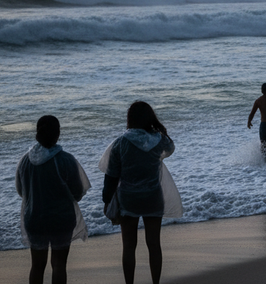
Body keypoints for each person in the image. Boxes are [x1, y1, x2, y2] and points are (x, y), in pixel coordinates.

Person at [100, 101, 183, 284]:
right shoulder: (158, 140)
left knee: (129, 246)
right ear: (149, 118)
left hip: (128, 198)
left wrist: (106, 199)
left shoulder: (120, 143)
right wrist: (159, 129)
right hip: (153, 197)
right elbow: (170, 148)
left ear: (129, 119)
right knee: (154, 244)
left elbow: (111, 176)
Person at [16, 115, 90, 284]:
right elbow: (78, 193)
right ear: (57, 134)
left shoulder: (25, 161)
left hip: (34, 219)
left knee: (37, 266)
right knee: (59, 265)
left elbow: (21, 191)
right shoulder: (66, 160)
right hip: (61, 220)